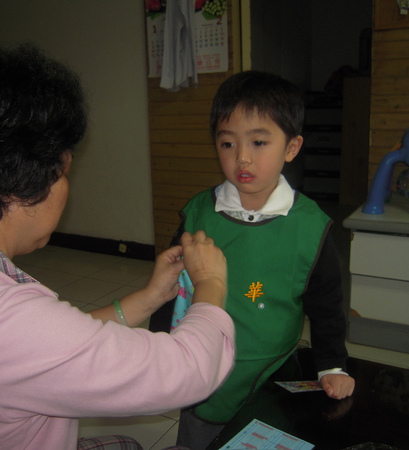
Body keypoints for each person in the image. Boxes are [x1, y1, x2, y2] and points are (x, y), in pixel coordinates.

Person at [0, 43, 235, 450]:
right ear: (21, 184)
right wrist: (211, 283)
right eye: (63, 172)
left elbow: (52, 347)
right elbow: (186, 372)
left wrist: (149, 298)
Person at [150, 70, 355, 450]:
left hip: (271, 375)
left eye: (259, 142)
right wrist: (159, 346)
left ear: (291, 148)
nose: (242, 157)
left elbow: (327, 306)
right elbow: (169, 290)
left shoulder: (311, 227)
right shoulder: (198, 214)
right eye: (227, 143)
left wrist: (332, 365)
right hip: (204, 372)